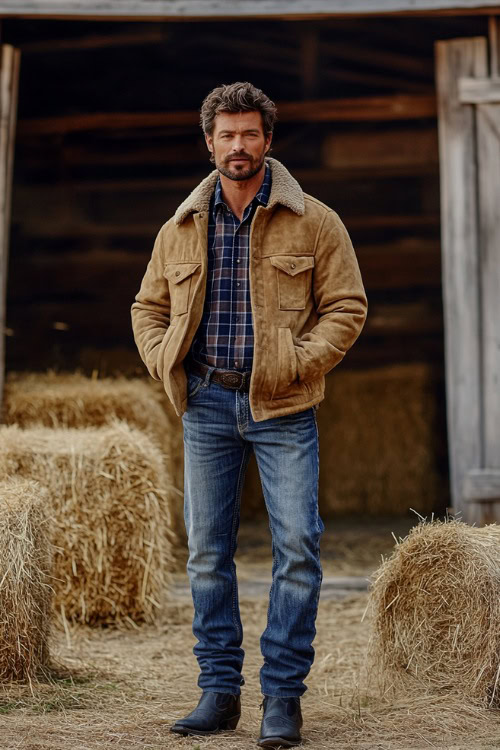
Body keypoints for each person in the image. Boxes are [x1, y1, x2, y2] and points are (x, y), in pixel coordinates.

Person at [131, 81, 367, 748]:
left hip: (285, 407)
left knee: (298, 548)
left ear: (268, 140)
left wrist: (295, 362)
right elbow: (146, 308)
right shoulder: (178, 229)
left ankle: (282, 700)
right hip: (205, 404)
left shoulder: (315, 221)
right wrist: (163, 358)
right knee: (207, 556)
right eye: (227, 135)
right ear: (209, 143)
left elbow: (347, 307)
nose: (239, 146)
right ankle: (219, 692)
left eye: (250, 134)